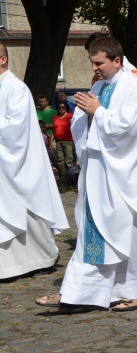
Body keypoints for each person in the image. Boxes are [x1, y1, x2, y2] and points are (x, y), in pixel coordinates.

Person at [36, 37, 137, 312]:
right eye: (92, 62)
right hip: (101, 168)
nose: (94, 67)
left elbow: (129, 127)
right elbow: (84, 123)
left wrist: (98, 112)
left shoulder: (135, 83)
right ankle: (83, 292)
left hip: (131, 172)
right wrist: (87, 115)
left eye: (99, 62)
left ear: (117, 60)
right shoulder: (100, 83)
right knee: (97, 227)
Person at [0, 43, 69, 280]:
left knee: (21, 206)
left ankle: (40, 256)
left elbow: (16, 126)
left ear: (2, 60)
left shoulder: (16, 88)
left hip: (15, 160)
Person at [52, 101, 75, 179]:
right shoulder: (55, 117)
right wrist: (51, 140)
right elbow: (54, 129)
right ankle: (63, 177)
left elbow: (74, 126)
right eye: (59, 107)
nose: (61, 109)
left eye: (63, 107)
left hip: (68, 141)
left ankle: (70, 178)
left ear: (66, 108)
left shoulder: (70, 116)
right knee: (60, 160)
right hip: (58, 140)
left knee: (68, 160)